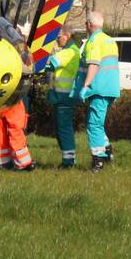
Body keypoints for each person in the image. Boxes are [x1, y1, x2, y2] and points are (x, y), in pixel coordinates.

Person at [78, 11, 120, 172]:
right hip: (111, 89)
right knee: (97, 122)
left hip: (98, 89)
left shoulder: (94, 41)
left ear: (89, 25)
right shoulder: (109, 41)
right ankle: (107, 152)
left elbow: (94, 64)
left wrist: (85, 86)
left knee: (93, 124)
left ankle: (98, 161)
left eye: (85, 24)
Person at [0, 39, 35, 171]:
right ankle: (23, 162)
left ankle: (3, 161)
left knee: (0, 128)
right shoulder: (15, 58)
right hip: (12, 98)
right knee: (15, 127)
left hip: (0, 97)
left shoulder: (1, 54)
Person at [46, 24, 81, 168]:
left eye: (59, 37)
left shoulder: (68, 51)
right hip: (64, 95)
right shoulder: (72, 50)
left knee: (64, 128)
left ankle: (68, 161)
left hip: (64, 96)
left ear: (66, 36)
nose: (57, 40)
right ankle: (69, 159)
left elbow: (51, 64)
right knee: (63, 127)